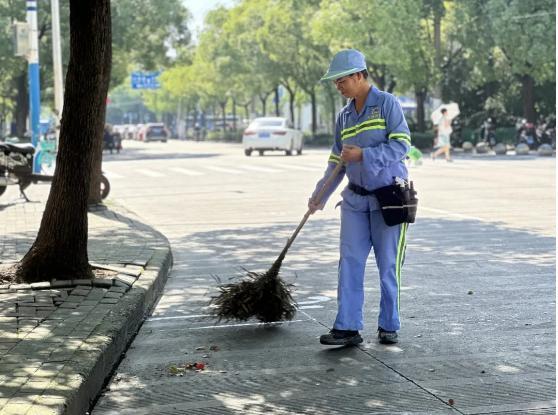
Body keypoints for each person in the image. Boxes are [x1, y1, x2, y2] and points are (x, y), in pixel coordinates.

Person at [308, 49, 411, 346]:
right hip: (354, 200)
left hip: (389, 198)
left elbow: (402, 145)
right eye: (335, 82)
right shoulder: (344, 116)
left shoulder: (387, 104)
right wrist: (319, 197)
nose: (337, 86)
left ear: (358, 75)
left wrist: (365, 154)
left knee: (388, 264)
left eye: (341, 81)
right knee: (350, 261)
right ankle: (347, 327)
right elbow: (336, 161)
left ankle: (389, 324)